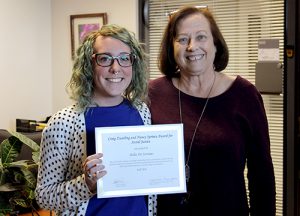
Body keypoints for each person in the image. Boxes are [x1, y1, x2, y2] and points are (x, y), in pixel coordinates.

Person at [148, 6, 276, 216]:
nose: (192, 46)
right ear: (171, 48)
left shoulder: (244, 95)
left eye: (201, 37)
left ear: (215, 44)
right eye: (182, 39)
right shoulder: (152, 93)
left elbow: (261, 174)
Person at [35, 24, 157, 216]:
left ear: (134, 64)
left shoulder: (142, 112)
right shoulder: (63, 122)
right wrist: (87, 183)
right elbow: (44, 196)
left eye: (124, 58)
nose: (115, 68)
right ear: (88, 65)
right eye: (105, 59)